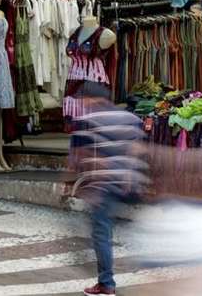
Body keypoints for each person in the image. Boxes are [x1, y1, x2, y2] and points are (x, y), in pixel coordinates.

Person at [70, 85, 148, 296]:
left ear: (90, 100)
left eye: (82, 100)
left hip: (102, 186)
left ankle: (106, 283)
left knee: (101, 232)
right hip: (127, 183)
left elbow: (80, 156)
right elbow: (139, 148)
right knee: (112, 229)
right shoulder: (129, 118)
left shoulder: (86, 121)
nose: (81, 104)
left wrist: (75, 183)